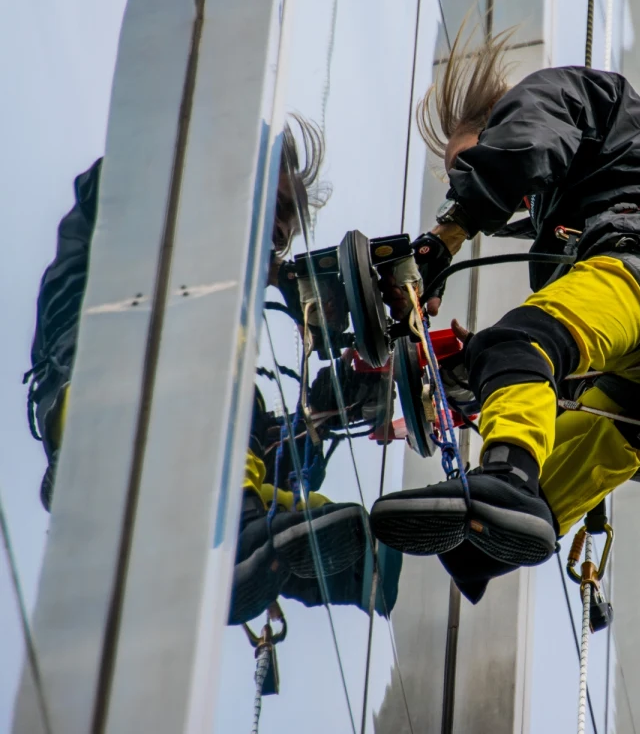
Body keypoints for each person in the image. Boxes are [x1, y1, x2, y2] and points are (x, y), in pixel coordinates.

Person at [369, 28, 640, 602]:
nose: (464, 183)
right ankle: (479, 546)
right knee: (559, 453)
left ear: (494, 120)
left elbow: (523, 149)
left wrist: (443, 240)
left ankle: (508, 474)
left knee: (518, 346)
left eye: (464, 165)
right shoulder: (569, 219)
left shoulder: (552, 94)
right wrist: (463, 383)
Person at [25, 115, 391, 624]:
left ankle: (377, 568)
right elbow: (119, 179)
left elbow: (257, 450)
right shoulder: (150, 223)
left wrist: (325, 412)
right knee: (215, 335)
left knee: (290, 508)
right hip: (94, 387)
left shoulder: (219, 346)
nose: (279, 238)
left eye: (283, 237)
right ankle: (235, 531)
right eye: (276, 210)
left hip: (164, 436)